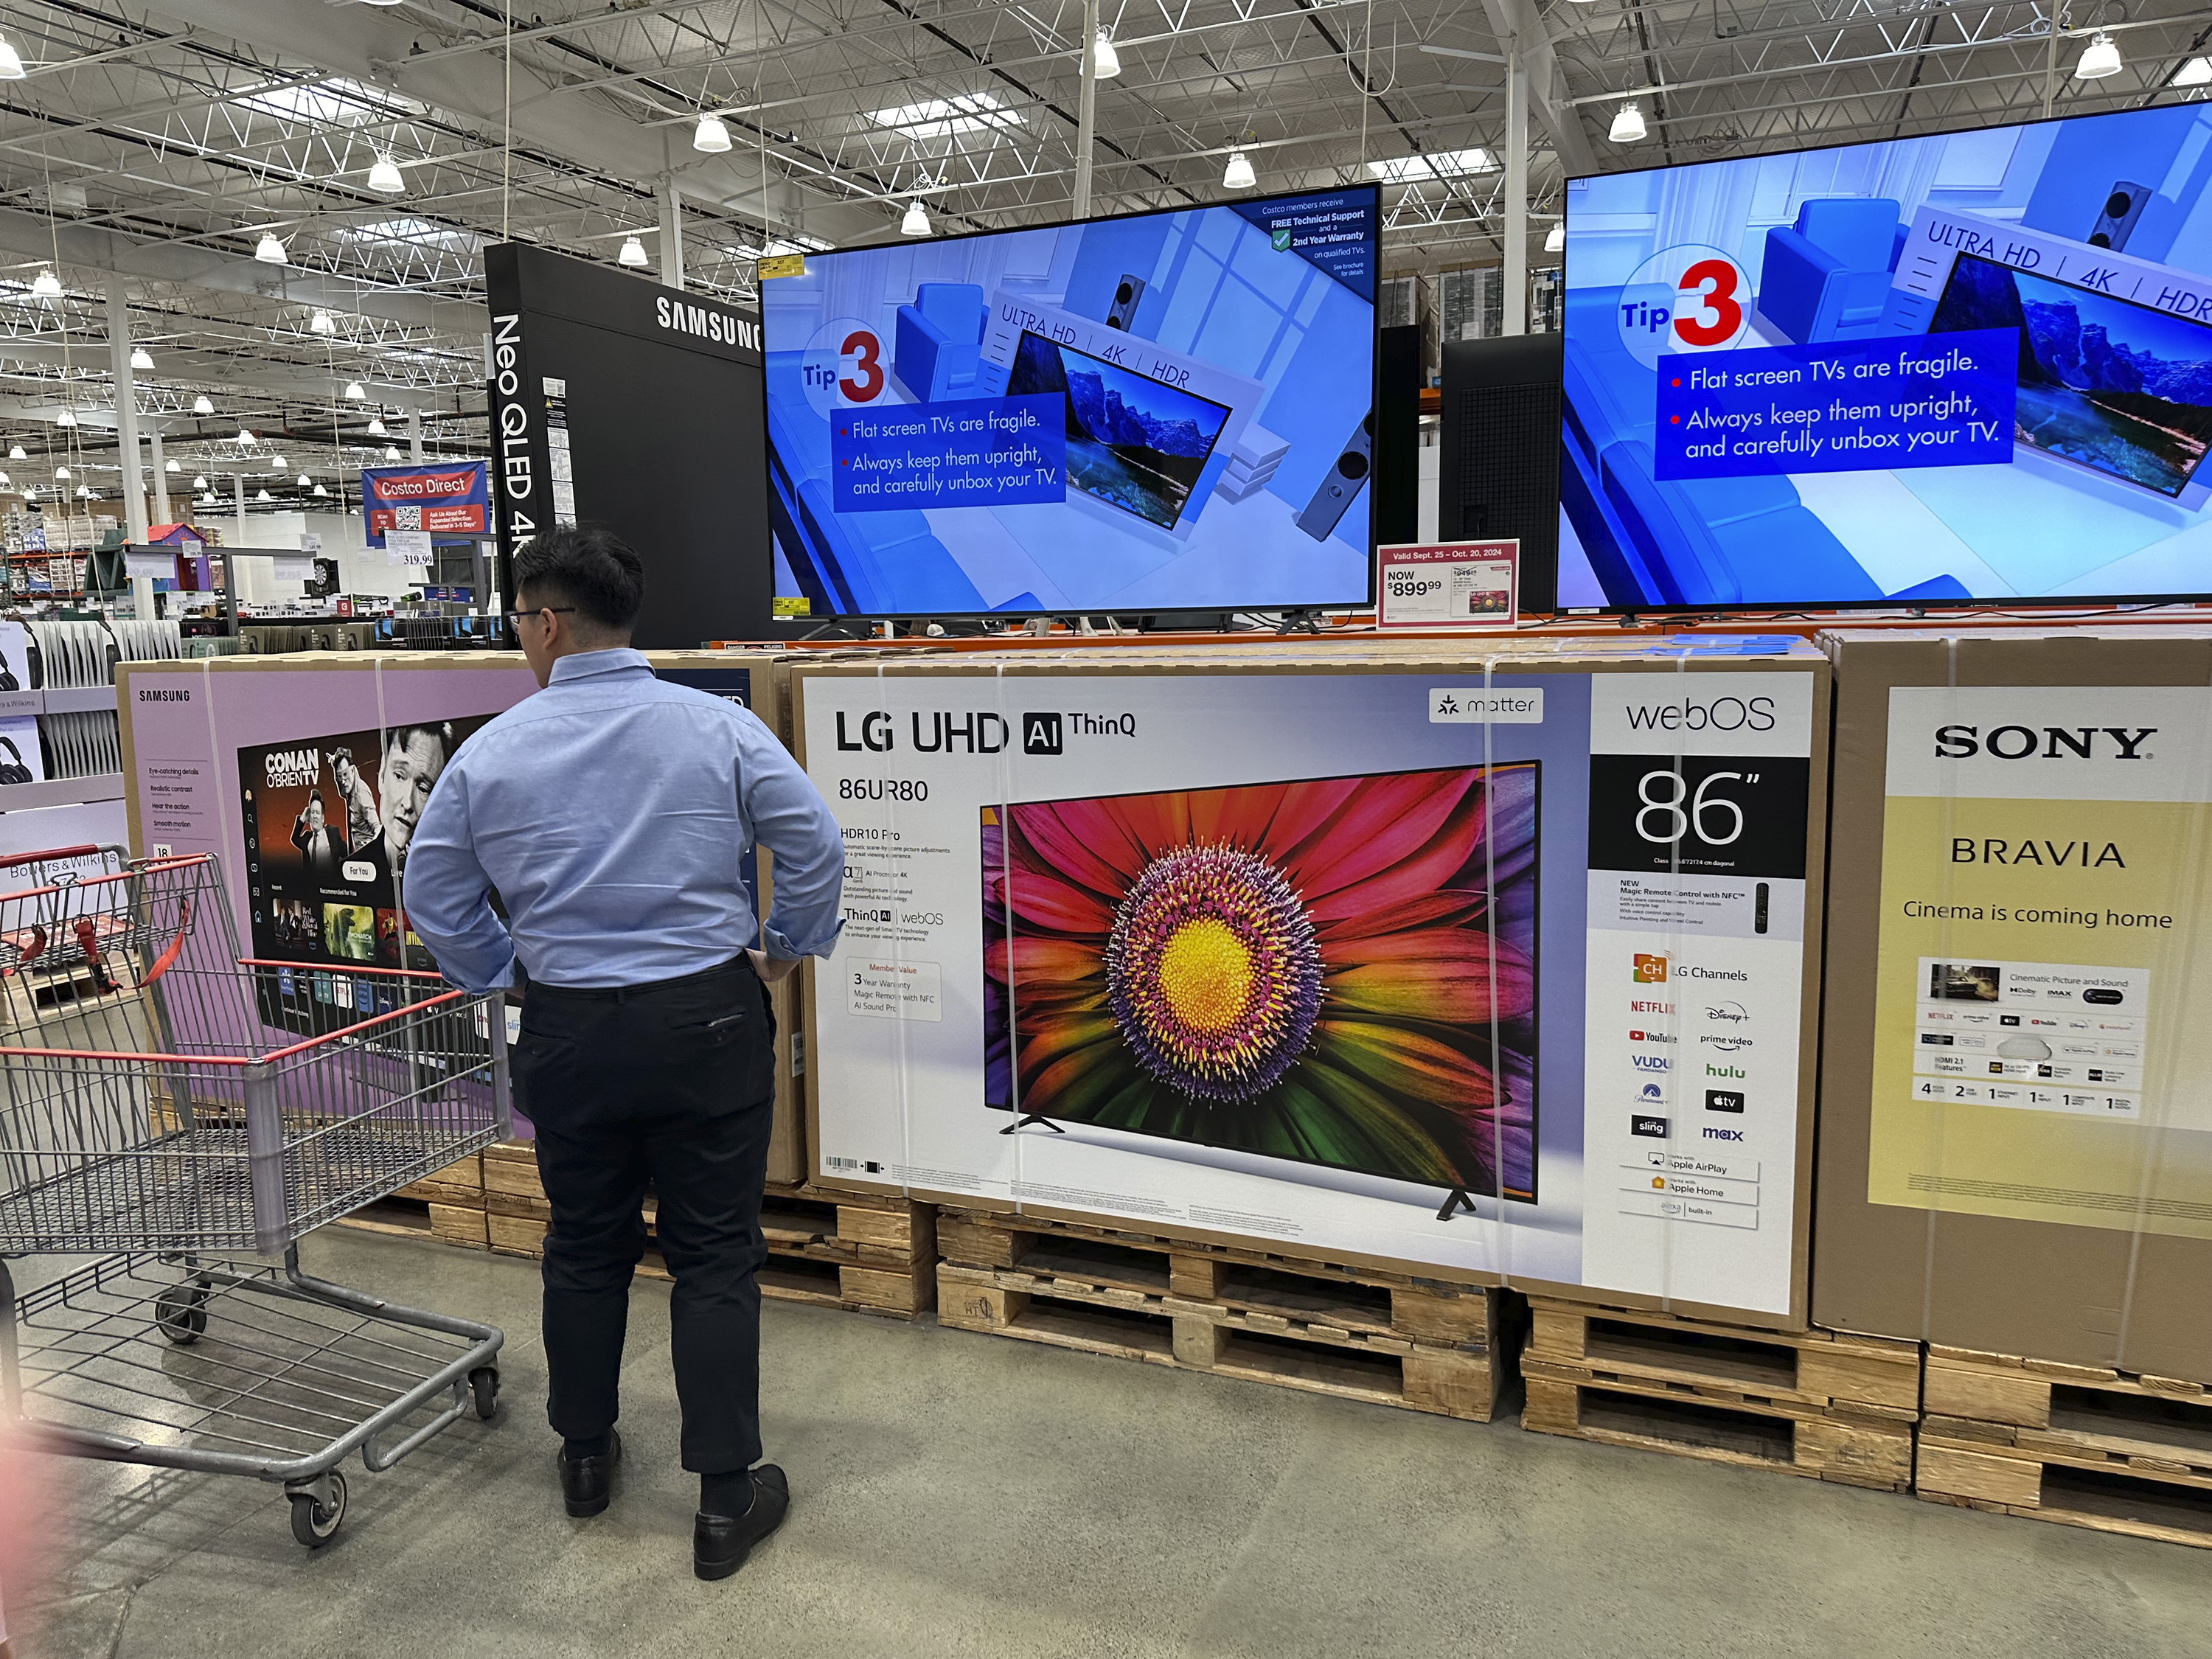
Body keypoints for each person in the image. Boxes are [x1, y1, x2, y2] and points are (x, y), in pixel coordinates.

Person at [402, 524, 844, 1582]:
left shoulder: (492, 751)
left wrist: (506, 969)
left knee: (586, 1244)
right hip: (707, 1020)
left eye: (518, 622)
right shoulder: (716, 728)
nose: (520, 640)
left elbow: (432, 893)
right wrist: (784, 950)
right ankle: (726, 1500)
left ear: (548, 623)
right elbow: (817, 844)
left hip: (573, 1028)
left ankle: (586, 1457)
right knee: (716, 1255)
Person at [350, 723, 451, 887]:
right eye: (399, 775)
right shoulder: (344, 874)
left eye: (424, 788)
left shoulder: (458, 881)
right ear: (382, 774)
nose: (408, 803)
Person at [330, 746, 380, 852]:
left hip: (368, 853)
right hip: (357, 853)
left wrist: (374, 847)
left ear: (352, 770)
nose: (343, 781)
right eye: (339, 776)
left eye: (345, 774)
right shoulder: (348, 788)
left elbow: (376, 826)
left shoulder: (361, 794)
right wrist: (334, 761)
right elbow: (340, 785)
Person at [290, 793, 341, 878]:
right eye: (312, 812)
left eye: (317, 812)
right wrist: (302, 819)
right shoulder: (307, 837)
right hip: (312, 887)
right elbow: (294, 839)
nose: (315, 816)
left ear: (323, 818)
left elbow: (346, 852)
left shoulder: (333, 833)